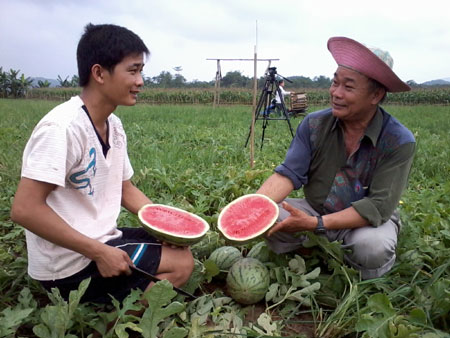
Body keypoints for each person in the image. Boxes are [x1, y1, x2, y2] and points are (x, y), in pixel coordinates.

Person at [10, 23, 194, 304]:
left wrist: (166, 228)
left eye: (141, 70)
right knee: (181, 265)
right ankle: (114, 328)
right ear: (99, 73)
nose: (141, 81)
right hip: (67, 264)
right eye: (132, 70)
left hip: (99, 239)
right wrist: (98, 252)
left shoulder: (114, 125)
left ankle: (115, 297)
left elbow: (125, 189)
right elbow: (24, 209)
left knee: (178, 247)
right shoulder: (62, 128)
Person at [257, 36, 415, 280]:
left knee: (372, 248)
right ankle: (311, 256)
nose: (336, 93)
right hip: (314, 209)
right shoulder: (314, 124)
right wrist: (250, 210)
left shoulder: (399, 140)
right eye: (335, 83)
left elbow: (377, 207)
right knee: (267, 216)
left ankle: (350, 268)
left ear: (375, 96)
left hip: (364, 223)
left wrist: (316, 224)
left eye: (348, 87)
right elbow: (288, 174)